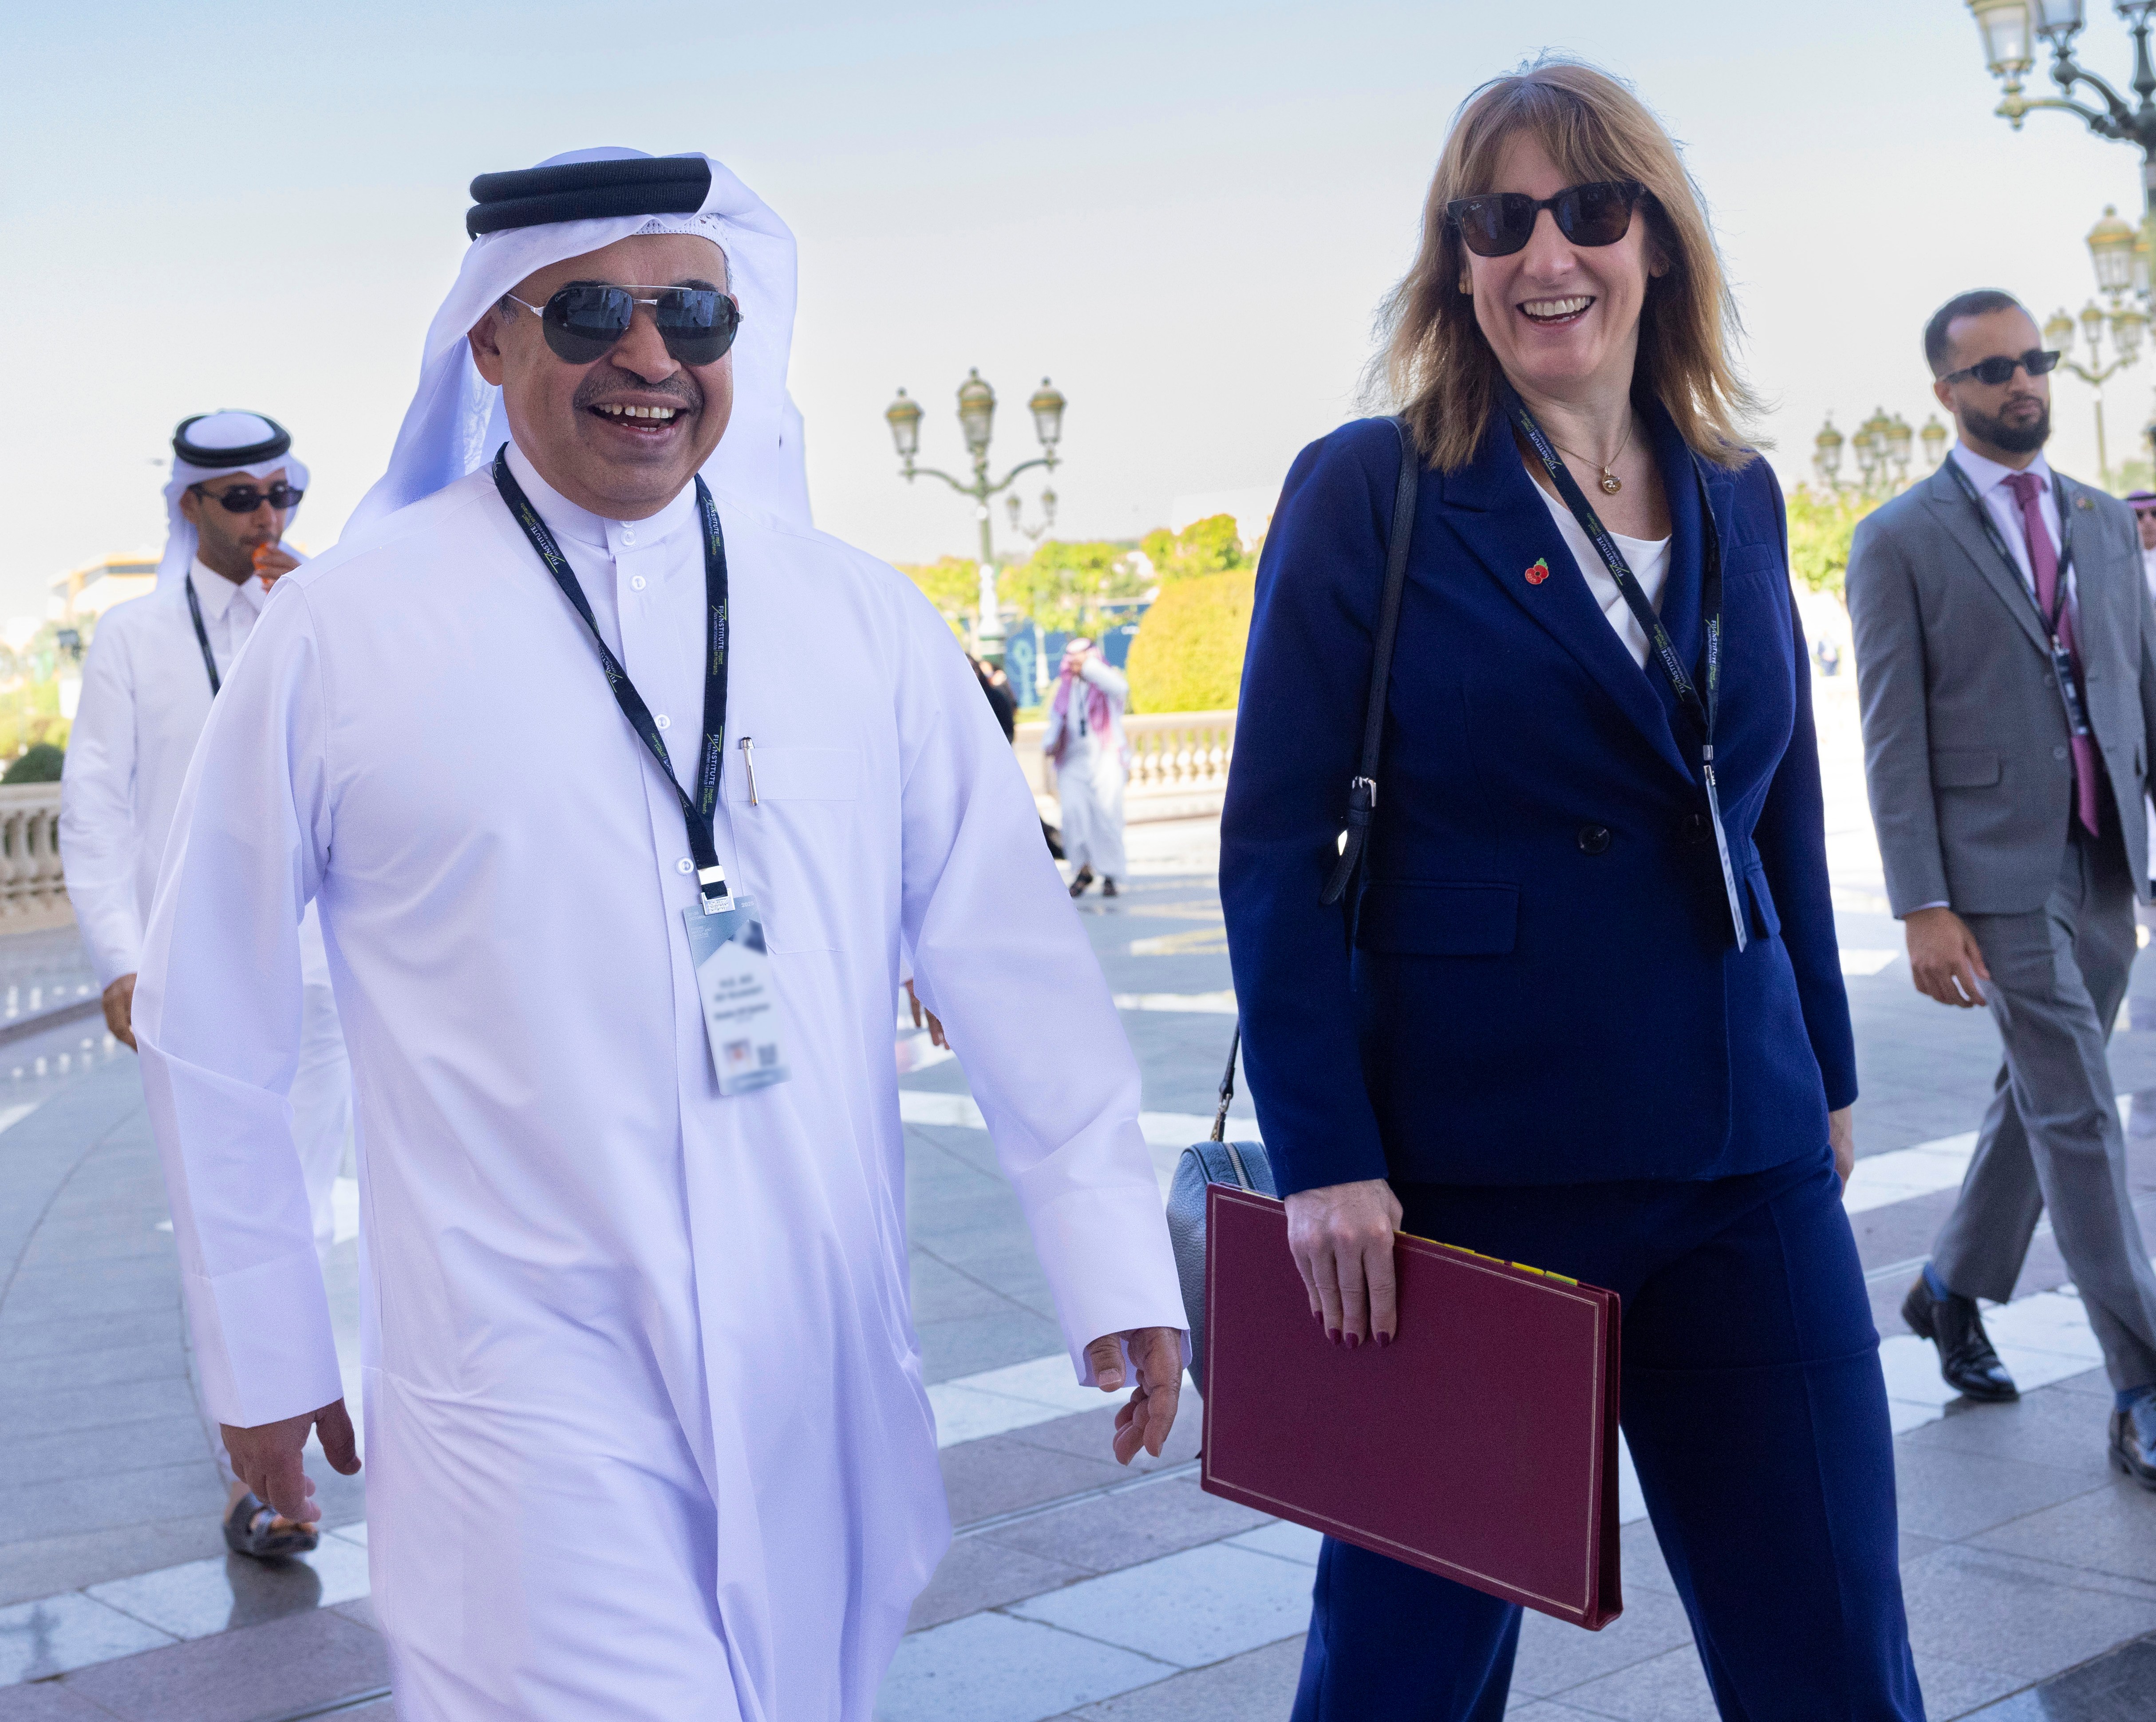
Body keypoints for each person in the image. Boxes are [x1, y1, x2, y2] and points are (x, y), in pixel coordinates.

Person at [129, 148, 1184, 1722]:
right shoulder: (346, 632)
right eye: (590, 315)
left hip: (815, 1364)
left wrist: (1112, 1253)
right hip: (520, 1388)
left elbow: (1002, 946)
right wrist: (264, 1346)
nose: (650, 358)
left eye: (693, 311)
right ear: (488, 339)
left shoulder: (856, 619)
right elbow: (211, 1014)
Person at [1220, 60, 1920, 1719]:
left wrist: (1819, 1068)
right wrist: (1326, 1160)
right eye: (1497, 218)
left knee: (1830, 1643)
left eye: (1588, 210)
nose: (1547, 253)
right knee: (1404, 1675)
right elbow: (1272, 848)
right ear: (1453, 264)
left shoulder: (1735, 491)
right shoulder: (1368, 488)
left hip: (1737, 1156)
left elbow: (1770, 805)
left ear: (1655, 242)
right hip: (1459, 1189)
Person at [1847, 288, 2156, 1490]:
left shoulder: (2097, 519)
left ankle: (1944, 1290)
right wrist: (1923, 904)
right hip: (1992, 874)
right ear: (1945, 394)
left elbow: (2134, 688)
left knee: (2036, 1097)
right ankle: (2140, 1376)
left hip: (2100, 861)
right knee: (2080, 1109)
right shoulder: (1900, 538)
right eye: (1992, 371)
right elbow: (1889, 734)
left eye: (2034, 362)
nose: (2021, 384)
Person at [59, 410, 352, 1562]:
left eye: (283, 495)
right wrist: (118, 959)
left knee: (310, 1218)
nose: (269, 518)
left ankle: (301, 1432)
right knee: (219, 1227)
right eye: (241, 499)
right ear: (190, 508)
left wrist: (329, 622)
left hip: (325, 977)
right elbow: (94, 810)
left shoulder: (327, 617)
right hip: (190, 985)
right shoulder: (132, 637)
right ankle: (256, 1482)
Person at [1042, 636, 1128, 896]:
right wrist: (1049, 743)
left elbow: (1120, 688)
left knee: (1107, 816)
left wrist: (1090, 668)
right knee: (1073, 815)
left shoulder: (1106, 684)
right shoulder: (1066, 688)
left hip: (1106, 757)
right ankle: (1083, 870)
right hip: (1072, 761)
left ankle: (1111, 874)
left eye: (1082, 656)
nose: (1076, 662)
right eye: (1072, 657)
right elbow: (1056, 720)